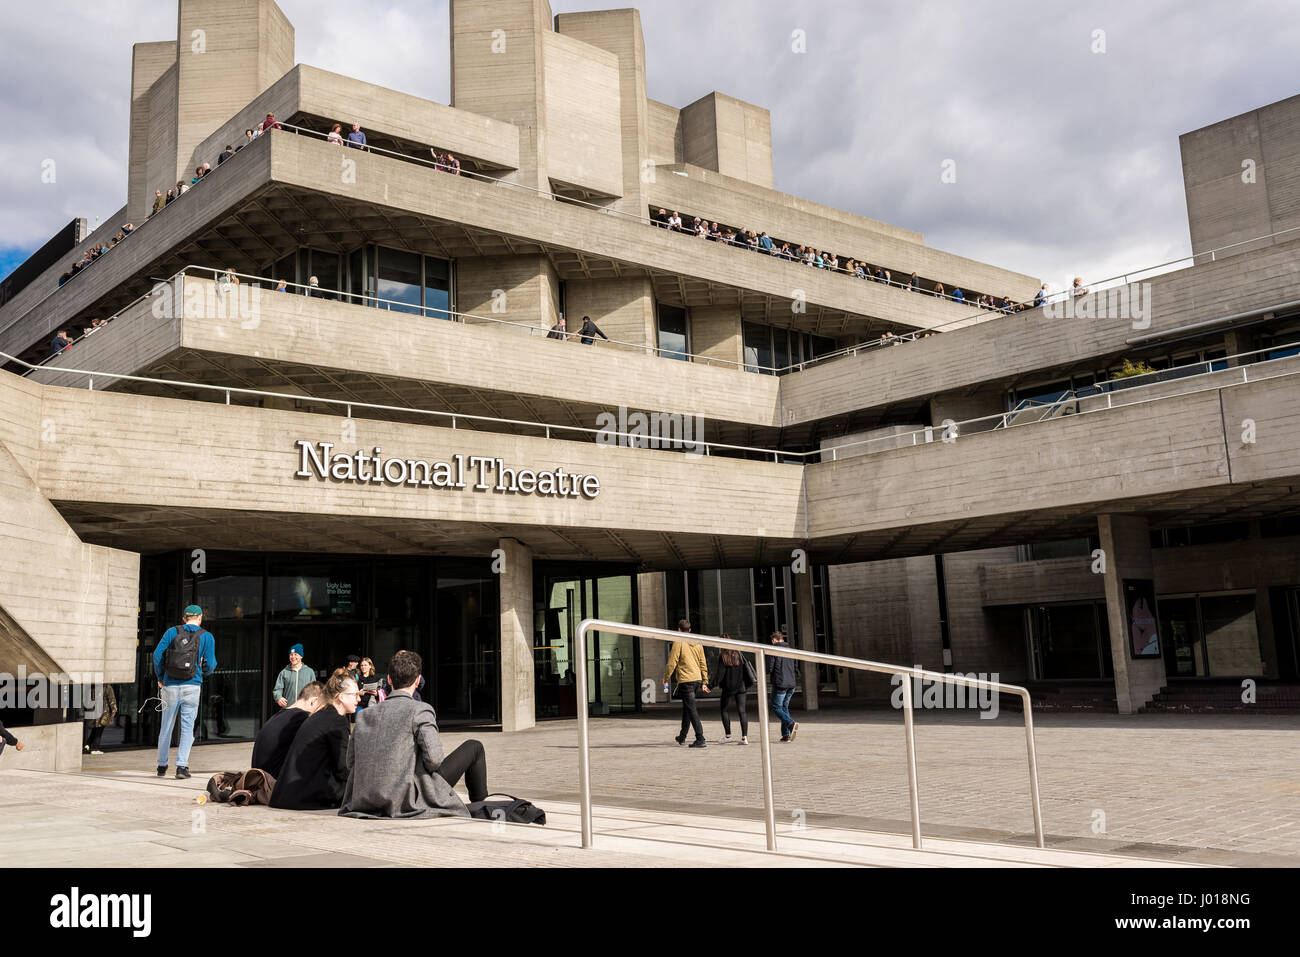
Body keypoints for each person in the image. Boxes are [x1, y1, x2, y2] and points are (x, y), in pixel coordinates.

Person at [341, 650, 489, 819]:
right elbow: (434, 761)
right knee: (474, 746)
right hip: (406, 799)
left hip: (364, 799)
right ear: (418, 680)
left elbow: (351, 762)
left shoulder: (364, 715)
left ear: (389, 679)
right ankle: (481, 806)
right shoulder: (420, 710)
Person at [269, 672, 357, 810]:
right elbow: (342, 768)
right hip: (307, 796)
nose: (358, 699)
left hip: (285, 795)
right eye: (354, 695)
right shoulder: (337, 721)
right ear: (340, 697)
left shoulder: (318, 715)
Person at [153, 604, 218, 778]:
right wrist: (204, 671)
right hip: (192, 686)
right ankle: (182, 767)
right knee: (187, 728)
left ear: (183, 618)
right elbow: (211, 665)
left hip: (170, 686)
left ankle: (161, 765)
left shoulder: (171, 632)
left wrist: (161, 677)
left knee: (166, 726)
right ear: (200, 618)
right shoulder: (207, 637)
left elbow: (157, 655)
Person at [250, 681, 323, 779]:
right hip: (273, 786)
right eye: (321, 708)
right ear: (314, 701)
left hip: (259, 781)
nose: (320, 713)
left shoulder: (277, 716)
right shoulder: (303, 718)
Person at [663, 619, 709, 748]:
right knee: (687, 708)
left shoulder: (679, 642)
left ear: (678, 629)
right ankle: (682, 736)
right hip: (697, 679)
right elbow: (703, 662)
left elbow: (672, 662)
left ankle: (700, 738)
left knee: (691, 709)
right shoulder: (697, 643)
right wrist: (704, 680)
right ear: (689, 630)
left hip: (686, 680)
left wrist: (666, 678)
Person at [713, 643, 753, 744]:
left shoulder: (723, 656)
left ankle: (728, 736)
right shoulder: (738, 653)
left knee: (724, 710)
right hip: (741, 687)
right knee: (742, 711)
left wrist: (710, 686)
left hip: (728, 688)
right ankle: (744, 738)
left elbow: (720, 675)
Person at [766, 631, 798, 742]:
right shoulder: (791, 649)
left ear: (774, 640)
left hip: (780, 683)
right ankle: (786, 735)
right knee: (784, 708)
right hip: (791, 684)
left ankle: (791, 723)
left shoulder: (774, 650)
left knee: (776, 707)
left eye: (772, 641)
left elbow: (770, 667)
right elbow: (795, 666)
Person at [272, 644, 316, 710]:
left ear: (301, 656)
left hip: (305, 709)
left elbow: (314, 690)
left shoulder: (309, 672)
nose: (293, 657)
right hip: (288, 709)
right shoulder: (284, 672)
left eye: (295, 654)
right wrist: (279, 698)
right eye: (291, 654)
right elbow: (277, 689)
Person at [83, 683, 117, 755]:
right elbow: (111, 699)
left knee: (95, 729)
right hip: (103, 711)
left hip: (93, 710)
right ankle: (95, 748)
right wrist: (114, 710)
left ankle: (87, 744)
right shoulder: (107, 687)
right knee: (99, 730)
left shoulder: (92, 686)